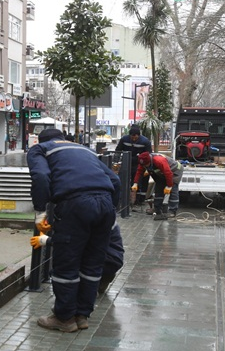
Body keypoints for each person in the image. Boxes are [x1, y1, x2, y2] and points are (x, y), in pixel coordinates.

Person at [27, 128, 121, 332]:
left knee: (66, 263)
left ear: (42, 141)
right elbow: (115, 181)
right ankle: (82, 316)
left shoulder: (40, 150)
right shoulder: (83, 149)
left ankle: (64, 318)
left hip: (75, 204)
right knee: (92, 263)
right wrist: (109, 210)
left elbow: (41, 176)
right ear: (61, 139)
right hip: (105, 205)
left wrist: (40, 212)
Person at [31, 216, 124, 296]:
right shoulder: (105, 210)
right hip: (114, 260)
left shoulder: (82, 211)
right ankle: (101, 280)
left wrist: (45, 240)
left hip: (99, 260)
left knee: (61, 266)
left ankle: (85, 291)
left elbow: (71, 241)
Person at [132, 152, 183, 220]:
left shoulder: (159, 160)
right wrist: (135, 183)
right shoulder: (143, 162)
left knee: (173, 190)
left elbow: (168, 173)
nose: (146, 166)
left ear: (149, 160)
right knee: (158, 189)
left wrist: (169, 186)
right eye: (144, 165)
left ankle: (172, 211)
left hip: (174, 170)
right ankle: (158, 210)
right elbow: (139, 172)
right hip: (161, 173)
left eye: (147, 165)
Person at [115, 125, 152, 205]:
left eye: (135, 138)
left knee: (137, 181)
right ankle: (121, 199)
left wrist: (146, 167)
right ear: (129, 135)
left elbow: (149, 154)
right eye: (132, 137)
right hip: (125, 163)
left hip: (139, 164)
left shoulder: (145, 141)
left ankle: (137, 200)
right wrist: (116, 162)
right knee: (122, 180)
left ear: (139, 135)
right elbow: (118, 150)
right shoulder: (124, 139)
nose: (133, 139)